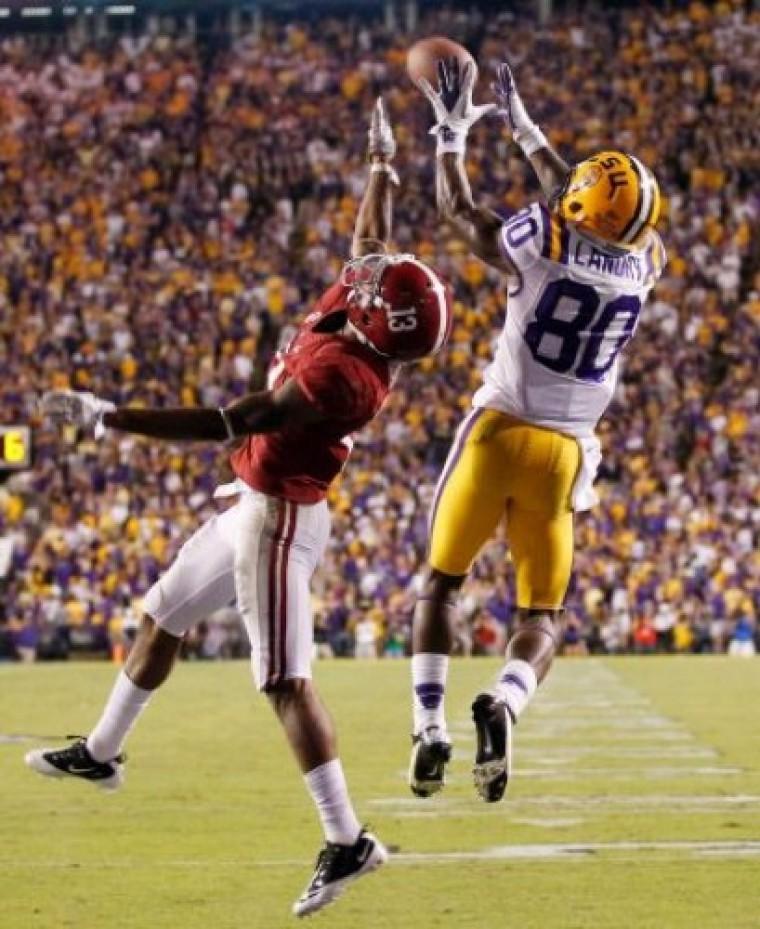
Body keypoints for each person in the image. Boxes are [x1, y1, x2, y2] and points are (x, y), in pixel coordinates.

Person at [25, 99, 452, 917]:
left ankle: (348, 839)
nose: (360, 270)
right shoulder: (364, 317)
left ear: (375, 322)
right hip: (249, 502)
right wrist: (382, 165)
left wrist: (108, 415)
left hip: (280, 520)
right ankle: (103, 753)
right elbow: (372, 242)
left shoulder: (344, 379)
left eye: (371, 285)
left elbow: (232, 420)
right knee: (161, 618)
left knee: (285, 682)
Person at [408, 59, 666, 802]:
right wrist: (527, 134)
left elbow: (462, 215)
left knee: (441, 585)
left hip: (497, 431)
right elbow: (589, 208)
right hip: (563, 456)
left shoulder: (545, 240)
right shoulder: (646, 261)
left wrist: (452, 135)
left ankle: (430, 727)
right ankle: (506, 702)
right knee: (542, 614)